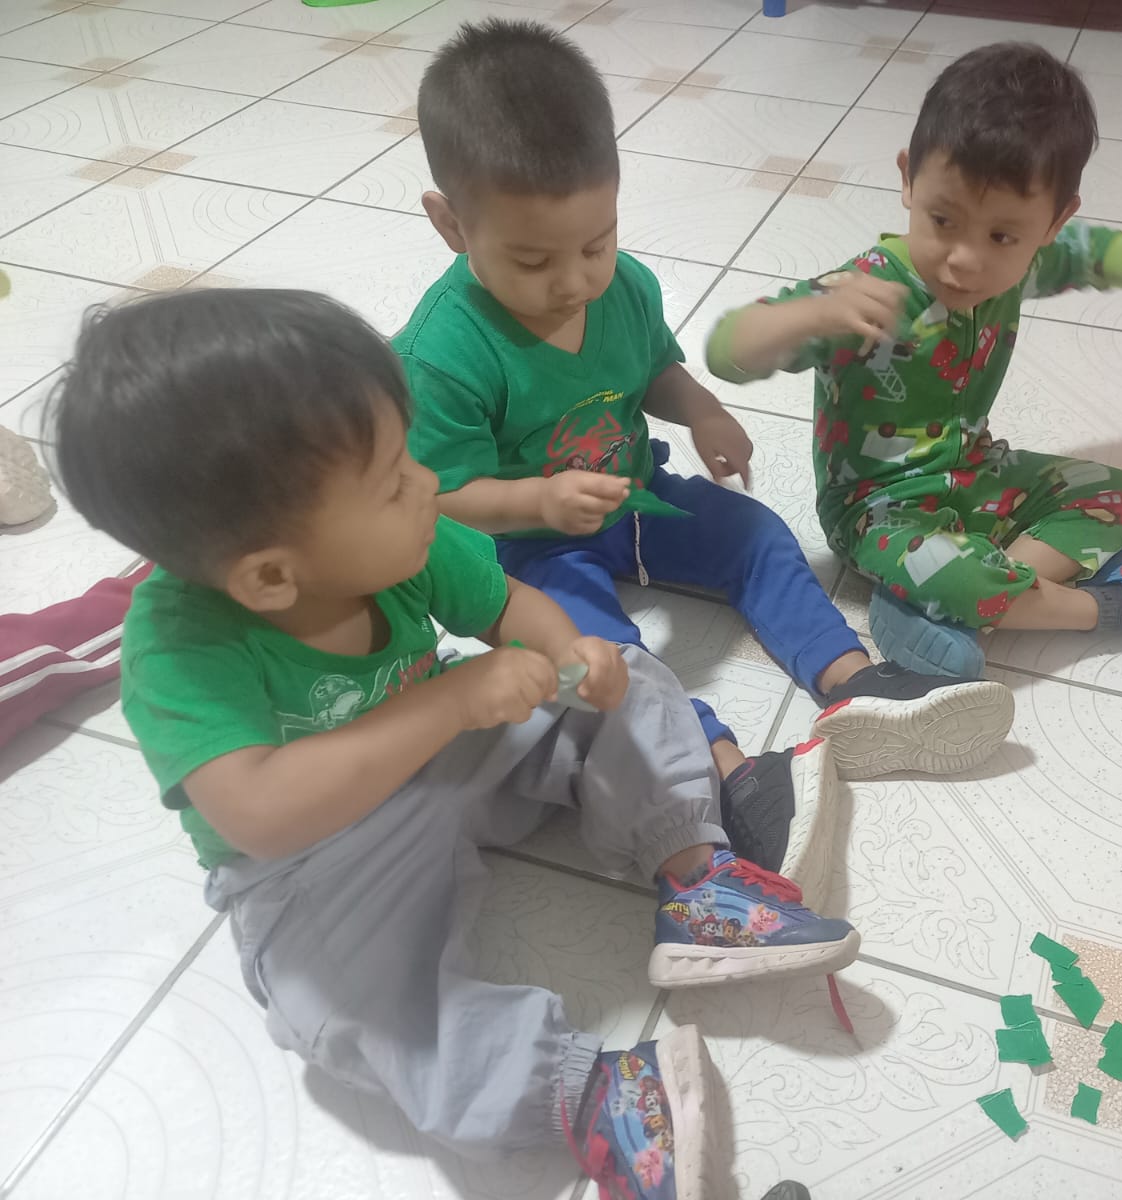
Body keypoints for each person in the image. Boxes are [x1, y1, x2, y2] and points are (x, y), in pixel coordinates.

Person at [48, 288, 857, 1199]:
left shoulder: (406, 533)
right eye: (393, 481)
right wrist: (449, 704)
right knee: (345, 1015)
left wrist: (569, 653)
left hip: (455, 756)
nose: (426, 483)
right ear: (271, 576)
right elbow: (260, 813)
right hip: (319, 860)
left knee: (628, 674)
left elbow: (509, 605)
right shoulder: (177, 649)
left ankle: (695, 876)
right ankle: (590, 1094)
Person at [396, 20, 1017, 874]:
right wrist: (537, 501)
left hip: (632, 495)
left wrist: (704, 412)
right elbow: (440, 499)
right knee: (603, 652)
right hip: (523, 551)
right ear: (451, 224)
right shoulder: (441, 353)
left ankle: (852, 682)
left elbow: (653, 369)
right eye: (533, 261)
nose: (574, 281)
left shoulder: (624, 287)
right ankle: (726, 774)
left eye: (595, 243)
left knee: (755, 534)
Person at [705, 43, 1122, 679]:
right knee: (960, 573)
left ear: (1052, 222)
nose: (965, 260)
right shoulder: (863, 291)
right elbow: (726, 351)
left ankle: (940, 606)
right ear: (908, 178)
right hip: (876, 512)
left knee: (1117, 493)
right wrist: (810, 315)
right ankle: (1108, 606)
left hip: (975, 473)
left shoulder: (1025, 263)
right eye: (942, 220)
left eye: (1001, 236)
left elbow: (1094, 251)